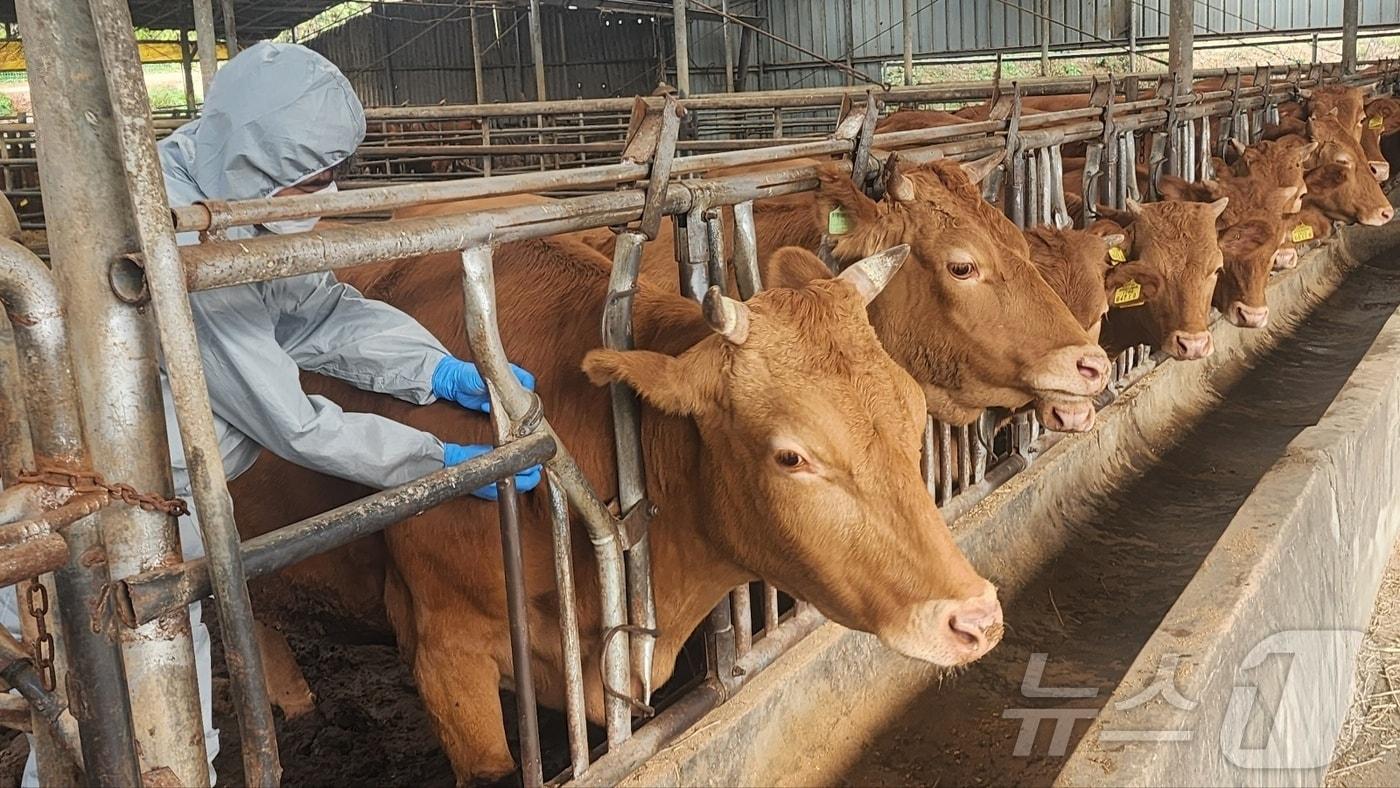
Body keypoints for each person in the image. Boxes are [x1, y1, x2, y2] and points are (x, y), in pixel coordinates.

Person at [5, 41, 539, 785]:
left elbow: (317, 309)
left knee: (114, 720)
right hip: (105, 512)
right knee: (133, 727)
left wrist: (438, 369)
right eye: (310, 181)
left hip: (151, 492)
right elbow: (290, 421)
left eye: (331, 178)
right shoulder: (174, 237)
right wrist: (438, 464)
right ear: (262, 165)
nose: (323, 197)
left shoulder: (225, 185)